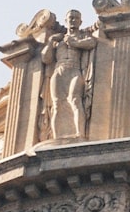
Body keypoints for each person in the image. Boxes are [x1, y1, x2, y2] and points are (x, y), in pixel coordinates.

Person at [41, 10, 97, 140]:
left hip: (74, 70)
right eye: (70, 18)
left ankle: (80, 134)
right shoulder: (58, 41)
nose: (73, 20)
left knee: (75, 99)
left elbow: (92, 43)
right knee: (56, 104)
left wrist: (75, 43)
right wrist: (50, 42)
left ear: (80, 22)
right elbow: (45, 58)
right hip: (59, 70)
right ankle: (56, 137)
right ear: (66, 21)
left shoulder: (83, 36)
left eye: (76, 18)